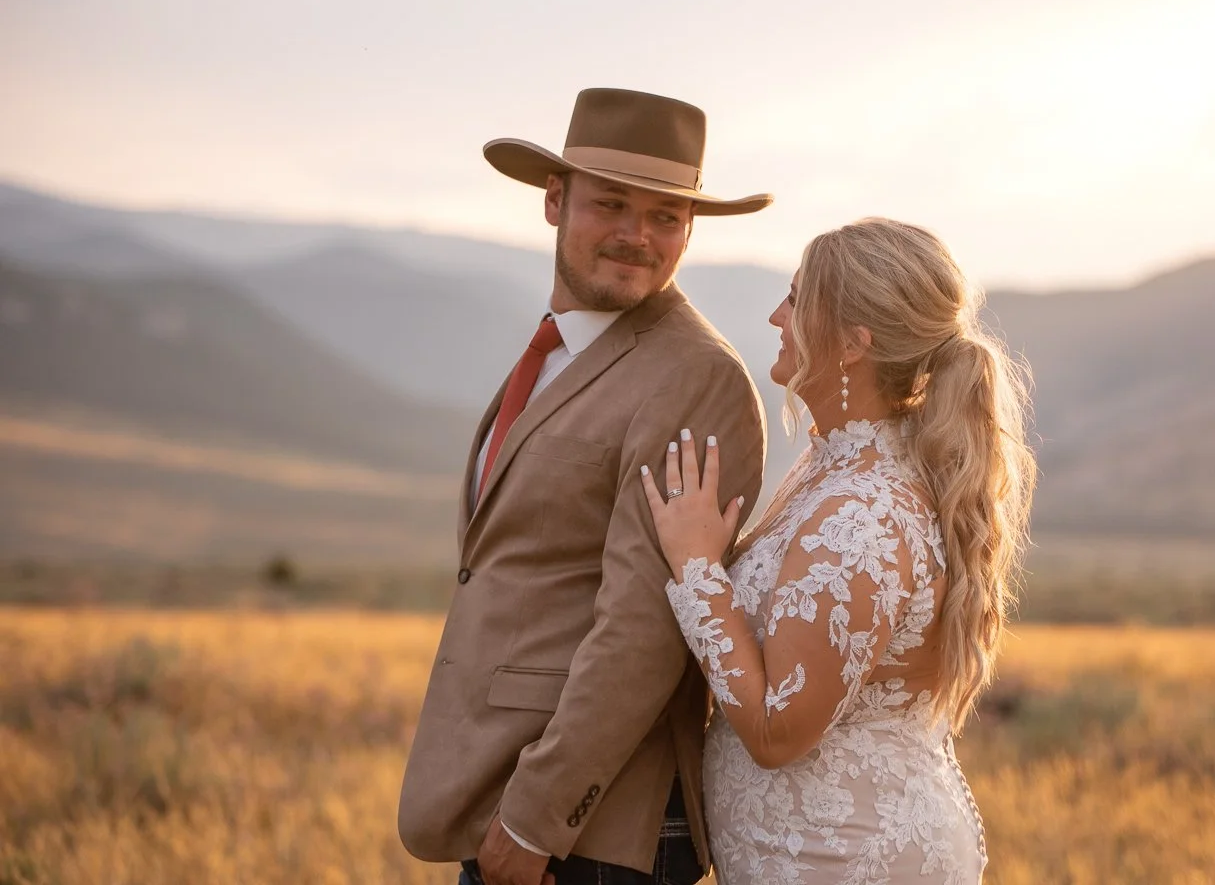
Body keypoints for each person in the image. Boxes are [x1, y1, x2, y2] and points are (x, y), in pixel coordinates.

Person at [398, 88, 772, 885]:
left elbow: (646, 626)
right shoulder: (559, 352)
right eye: (612, 205)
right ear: (555, 201)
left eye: (667, 217)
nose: (638, 236)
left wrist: (538, 818)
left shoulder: (694, 376)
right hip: (498, 790)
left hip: (592, 832)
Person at [640, 218, 1037, 884]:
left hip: (847, 859)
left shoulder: (862, 515)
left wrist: (697, 568)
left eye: (796, 300)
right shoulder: (833, 467)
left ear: (854, 342)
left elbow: (776, 730)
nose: (776, 315)